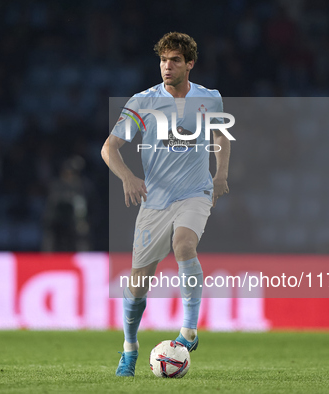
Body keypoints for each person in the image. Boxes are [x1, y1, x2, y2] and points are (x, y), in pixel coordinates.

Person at [101, 32, 231, 377]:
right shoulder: (143, 102)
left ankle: (188, 330)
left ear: (190, 63)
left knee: (184, 245)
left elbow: (220, 136)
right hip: (155, 201)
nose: (166, 66)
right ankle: (130, 349)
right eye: (162, 60)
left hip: (194, 193)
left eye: (174, 60)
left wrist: (220, 176)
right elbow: (109, 148)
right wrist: (128, 177)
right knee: (137, 283)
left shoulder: (209, 99)